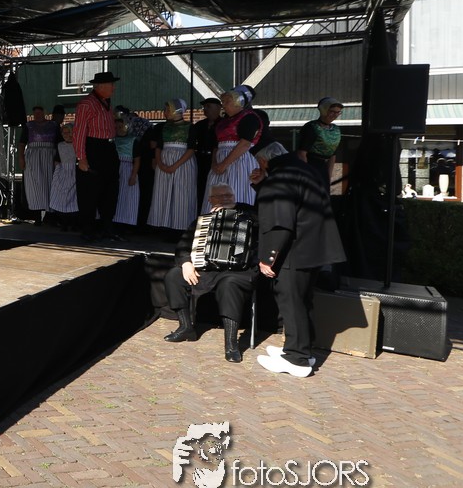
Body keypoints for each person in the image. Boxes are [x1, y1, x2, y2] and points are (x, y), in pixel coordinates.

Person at [253, 143, 346, 378]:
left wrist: (268, 258)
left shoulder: (280, 178)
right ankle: (302, 348)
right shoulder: (305, 170)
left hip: (294, 250)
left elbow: (280, 222)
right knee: (303, 300)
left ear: (263, 161)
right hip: (314, 248)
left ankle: (297, 358)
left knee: (291, 302)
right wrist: (261, 184)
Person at [163, 185, 258, 363]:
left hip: (239, 271)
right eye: (219, 196)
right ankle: (186, 327)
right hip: (207, 270)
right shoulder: (202, 221)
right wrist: (186, 263)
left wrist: (237, 209)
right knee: (173, 276)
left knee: (229, 284)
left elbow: (262, 218)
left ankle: (231, 344)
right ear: (210, 200)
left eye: (228, 195)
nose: (225, 198)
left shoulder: (249, 215)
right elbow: (183, 246)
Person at [74, 72, 120, 241]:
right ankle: (87, 229)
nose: (114, 88)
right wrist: (81, 157)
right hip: (93, 148)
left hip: (109, 148)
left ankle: (107, 227)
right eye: (111, 84)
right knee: (90, 191)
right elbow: (79, 131)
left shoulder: (106, 103)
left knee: (110, 190)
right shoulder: (87, 104)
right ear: (100, 87)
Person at [202, 86, 261, 212]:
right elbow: (216, 145)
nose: (223, 105)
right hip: (220, 163)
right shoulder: (223, 121)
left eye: (227, 102)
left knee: (236, 192)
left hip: (239, 162)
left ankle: (236, 222)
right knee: (216, 194)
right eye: (222, 102)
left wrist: (224, 164)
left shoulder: (249, 117)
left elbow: (245, 143)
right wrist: (214, 164)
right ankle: (214, 221)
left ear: (238, 102)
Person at [148, 99, 199, 234]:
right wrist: (160, 163)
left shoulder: (190, 127)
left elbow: (191, 149)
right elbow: (158, 147)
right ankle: (165, 226)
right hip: (164, 160)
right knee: (163, 192)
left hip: (183, 163)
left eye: (168, 109)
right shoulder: (163, 127)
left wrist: (175, 166)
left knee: (182, 193)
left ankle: (181, 227)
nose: (165, 112)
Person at [21, 105, 61, 218]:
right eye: (35, 113)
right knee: (34, 186)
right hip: (33, 158)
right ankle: (37, 216)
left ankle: (50, 215)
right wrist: (21, 158)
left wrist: (58, 158)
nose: (37, 115)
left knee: (50, 184)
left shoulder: (54, 125)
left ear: (44, 113)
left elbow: (59, 142)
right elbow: (22, 143)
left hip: (49, 157)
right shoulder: (28, 126)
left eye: (40, 113)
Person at [296, 97, 343, 184]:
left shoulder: (336, 130)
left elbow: (333, 154)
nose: (335, 115)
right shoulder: (311, 127)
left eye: (338, 112)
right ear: (324, 110)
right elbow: (302, 153)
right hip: (310, 166)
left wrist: (328, 176)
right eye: (332, 111)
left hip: (323, 169)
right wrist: (307, 174)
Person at [191, 97, 221, 208]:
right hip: (200, 159)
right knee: (199, 188)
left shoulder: (223, 124)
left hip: (215, 160)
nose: (205, 109)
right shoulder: (199, 125)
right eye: (204, 107)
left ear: (218, 108)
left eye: (208, 106)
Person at [112, 114, 139, 235]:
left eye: (120, 125)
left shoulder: (133, 140)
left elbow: (137, 160)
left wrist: (133, 175)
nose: (118, 128)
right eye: (116, 126)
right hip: (114, 169)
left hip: (127, 169)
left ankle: (124, 225)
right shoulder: (112, 139)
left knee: (126, 197)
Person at [49, 123, 78, 231]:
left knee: (74, 198)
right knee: (61, 196)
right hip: (63, 171)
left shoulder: (77, 144)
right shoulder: (60, 145)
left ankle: (74, 223)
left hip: (75, 171)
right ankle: (64, 223)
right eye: (64, 133)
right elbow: (57, 159)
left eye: (68, 132)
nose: (66, 135)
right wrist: (57, 172)